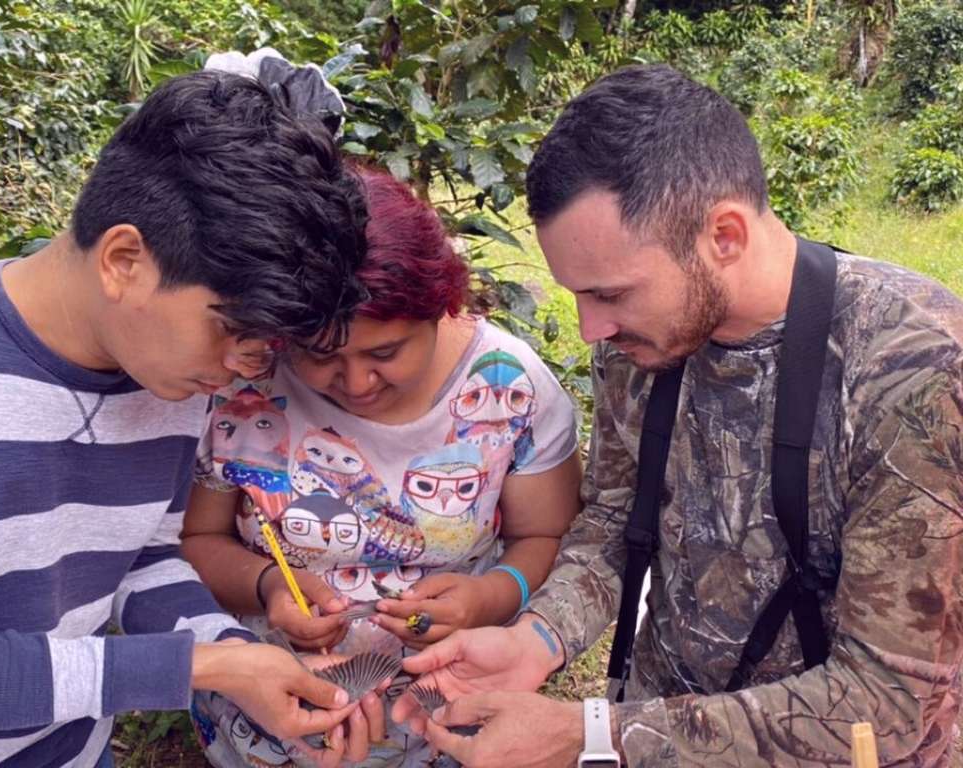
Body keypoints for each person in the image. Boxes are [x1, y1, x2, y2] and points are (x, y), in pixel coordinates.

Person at [392, 64, 963, 767]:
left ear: (723, 234)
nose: (589, 327)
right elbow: (613, 519)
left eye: (610, 293)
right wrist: (532, 641)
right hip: (660, 722)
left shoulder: (913, 366)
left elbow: (888, 701)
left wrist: (592, 735)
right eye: (577, 294)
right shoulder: (642, 340)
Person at [0, 68, 376, 768]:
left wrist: (239, 657)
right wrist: (207, 669)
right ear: (123, 260)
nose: (244, 367)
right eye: (232, 329)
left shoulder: (167, 376)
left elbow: (141, 557)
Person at [180, 166, 582, 767]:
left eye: (386, 352)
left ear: (442, 307)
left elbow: (545, 535)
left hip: (447, 712)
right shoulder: (245, 388)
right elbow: (197, 537)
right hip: (272, 714)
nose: (358, 382)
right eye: (320, 356)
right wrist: (268, 589)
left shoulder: (510, 390)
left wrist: (490, 598)